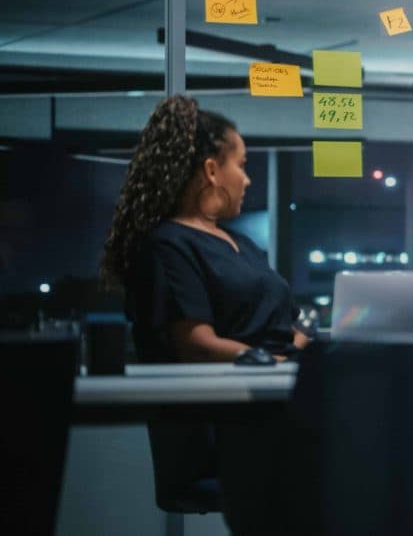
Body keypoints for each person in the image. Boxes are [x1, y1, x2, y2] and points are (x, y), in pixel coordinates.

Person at [100, 95, 309, 535]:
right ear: (212, 170)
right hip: (228, 430)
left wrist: (308, 347)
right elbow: (197, 344)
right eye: (242, 164)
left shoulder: (242, 246)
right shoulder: (166, 247)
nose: (248, 179)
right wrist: (276, 363)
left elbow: (280, 330)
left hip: (274, 413)